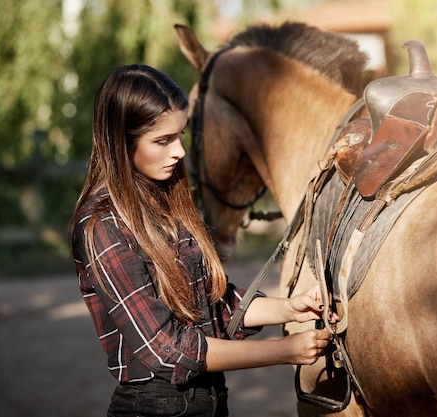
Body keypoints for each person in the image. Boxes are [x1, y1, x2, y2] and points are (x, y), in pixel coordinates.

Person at [69, 64, 332, 417]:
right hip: (154, 408)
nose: (179, 151)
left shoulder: (166, 201)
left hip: (209, 403)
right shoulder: (102, 226)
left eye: (180, 135)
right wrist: (283, 350)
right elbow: (167, 349)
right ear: (121, 143)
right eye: (162, 141)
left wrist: (289, 307)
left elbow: (215, 306)